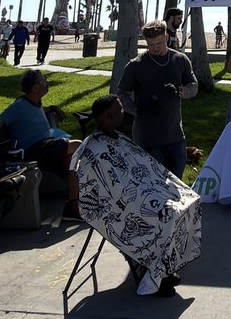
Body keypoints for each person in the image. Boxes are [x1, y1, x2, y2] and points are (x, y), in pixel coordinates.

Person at [69, 94, 201, 297]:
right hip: (118, 206)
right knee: (165, 215)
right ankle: (154, 274)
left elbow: (145, 167)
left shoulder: (117, 138)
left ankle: (164, 266)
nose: (124, 112)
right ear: (108, 117)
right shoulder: (93, 149)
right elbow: (105, 189)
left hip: (141, 193)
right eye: (120, 109)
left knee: (188, 200)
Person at [117, 20, 198, 178]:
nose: (155, 48)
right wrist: (137, 110)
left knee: (177, 181)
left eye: (159, 43)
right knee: (155, 182)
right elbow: (121, 93)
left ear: (167, 37)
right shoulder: (136, 65)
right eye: (151, 45)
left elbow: (193, 85)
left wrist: (182, 91)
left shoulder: (180, 60)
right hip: (148, 136)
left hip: (175, 133)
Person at [0, 68, 79, 175]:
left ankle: (72, 192)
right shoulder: (18, 106)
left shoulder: (35, 103)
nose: (46, 82)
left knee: (70, 161)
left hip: (45, 147)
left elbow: (34, 113)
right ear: (35, 88)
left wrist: (52, 108)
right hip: (34, 150)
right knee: (79, 145)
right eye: (44, 80)